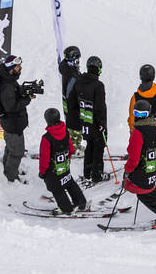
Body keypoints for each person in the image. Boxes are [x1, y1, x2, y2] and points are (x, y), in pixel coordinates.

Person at [68, 55, 109, 185]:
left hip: (85, 122)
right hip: (96, 123)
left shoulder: (78, 82)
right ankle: (96, 174)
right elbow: (100, 107)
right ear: (98, 69)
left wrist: (78, 119)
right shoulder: (98, 85)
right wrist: (102, 123)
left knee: (90, 145)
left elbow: (71, 103)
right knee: (98, 146)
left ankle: (87, 172)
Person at [39, 107, 88, 214]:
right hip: (64, 166)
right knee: (69, 183)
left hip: (53, 171)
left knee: (56, 188)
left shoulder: (46, 138)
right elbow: (71, 149)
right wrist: (66, 160)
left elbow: (44, 158)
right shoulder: (65, 132)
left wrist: (42, 172)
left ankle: (66, 208)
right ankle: (81, 202)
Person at [0, 55, 36, 182]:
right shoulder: (7, 85)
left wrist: (24, 92)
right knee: (17, 152)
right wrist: (27, 100)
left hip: (12, 123)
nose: (20, 68)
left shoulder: (9, 80)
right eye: (18, 66)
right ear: (11, 68)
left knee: (10, 148)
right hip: (13, 124)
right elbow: (11, 107)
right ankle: (11, 177)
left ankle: (7, 169)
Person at [58, 45, 83, 149]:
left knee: (71, 125)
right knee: (75, 126)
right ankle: (74, 147)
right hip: (72, 105)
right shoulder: (72, 74)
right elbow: (72, 91)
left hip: (69, 105)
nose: (78, 62)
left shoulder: (68, 70)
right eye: (76, 59)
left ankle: (73, 145)